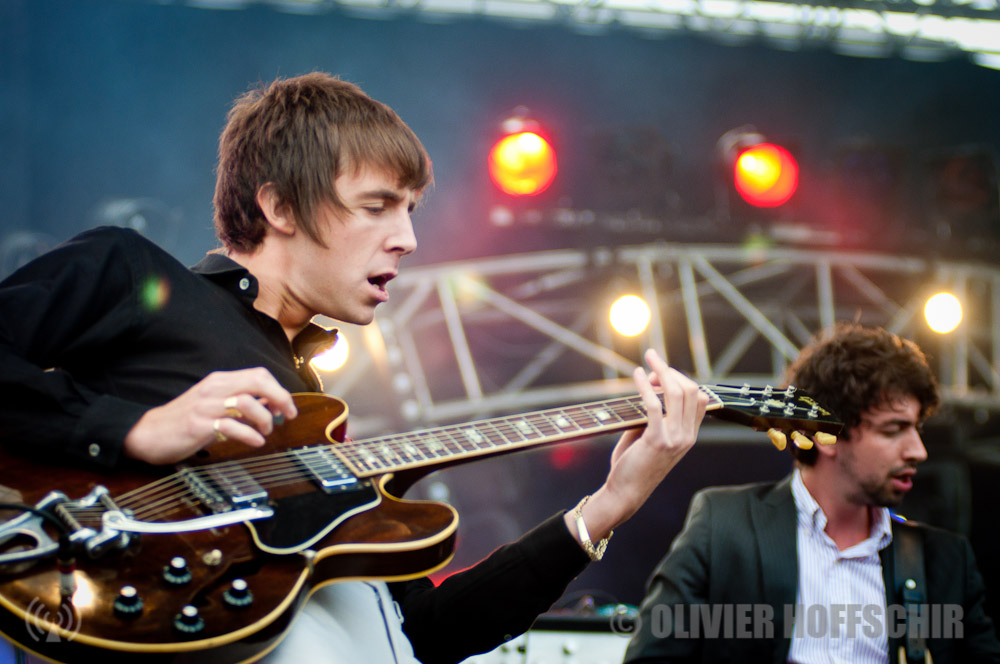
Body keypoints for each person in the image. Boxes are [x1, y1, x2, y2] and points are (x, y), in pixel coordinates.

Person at [0, 72, 709, 663]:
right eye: (378, 207)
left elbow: (425, 637)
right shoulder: (132, 275)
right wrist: (133, 428)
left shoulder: (317, 422)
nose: (407, 238)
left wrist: (604, 509)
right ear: (277, 204)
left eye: (410, 210)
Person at [624, 322, 1000, 663]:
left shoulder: (947, 561)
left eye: (916, 428)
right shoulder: (723, 524)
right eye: (893, 430)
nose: (918, 450)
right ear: (827, 434)